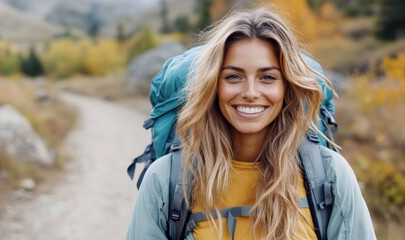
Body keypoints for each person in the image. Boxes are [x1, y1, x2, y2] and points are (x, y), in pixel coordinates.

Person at [127, 6, 376, 240]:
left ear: (287, 87)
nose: (250, 92)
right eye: (233, 76)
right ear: (213, 86)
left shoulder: (330, 175)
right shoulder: (166, 180)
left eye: (267, 77)